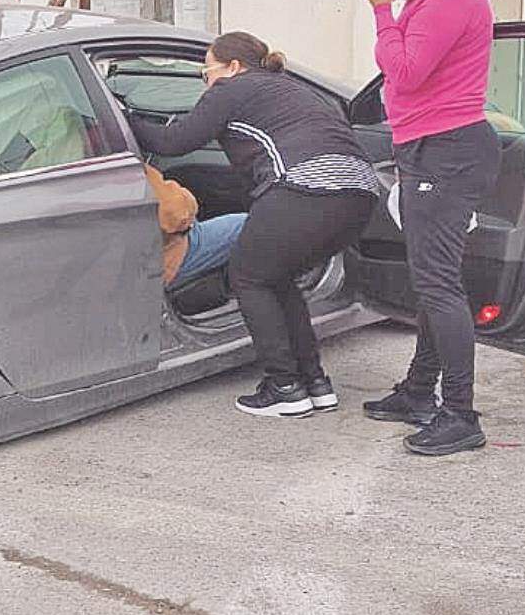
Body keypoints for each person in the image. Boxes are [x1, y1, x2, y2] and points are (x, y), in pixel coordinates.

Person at [130, 32, 378, 418]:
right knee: (276, 277)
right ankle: (314, 384)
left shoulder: (231, 88)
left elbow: (176, 141)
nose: (205, 81)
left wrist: (124, 120)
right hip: (359, 193)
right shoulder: (289, 89)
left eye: (205, 72)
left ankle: (284, 386)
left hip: (306, 187)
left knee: (249, 275)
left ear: (231, 66)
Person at [358, 0, 499, 456]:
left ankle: (460, 415)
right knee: (431, 280)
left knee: (439, 286)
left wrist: (378, 11)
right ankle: (419, 391)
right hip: (432, 149)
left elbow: (406, 71)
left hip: (447, 152)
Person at [144, 162, 248, 287]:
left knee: (187, 176)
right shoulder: (126, 169)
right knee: (250, 225)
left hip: (133, 261)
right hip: (164, 261)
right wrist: (187, 201)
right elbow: (176, 215)